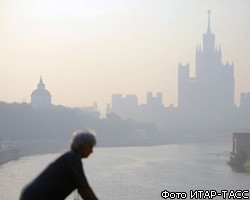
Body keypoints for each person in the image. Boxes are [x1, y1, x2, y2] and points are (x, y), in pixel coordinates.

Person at [20, 130, 99, 200]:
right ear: (82, 145)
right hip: (37, 196)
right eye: (90, 147)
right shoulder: (72, 158)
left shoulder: (70, 157)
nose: (91, 151)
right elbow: (84, 190)